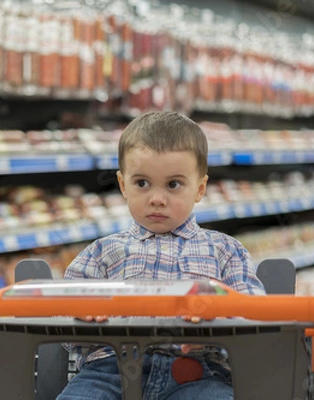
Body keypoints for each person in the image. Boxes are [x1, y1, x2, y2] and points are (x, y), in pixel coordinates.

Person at [59, 111, 266, 400]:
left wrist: (220, 315)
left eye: (173, 184)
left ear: (200, 189)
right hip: (110, 371)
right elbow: (61, 320)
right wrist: (79, 312)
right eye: (142, 183)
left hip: (197, 373)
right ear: (123, 185)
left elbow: (255, 317)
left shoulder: (226, 251)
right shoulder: (101, 253)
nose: (157, 198)